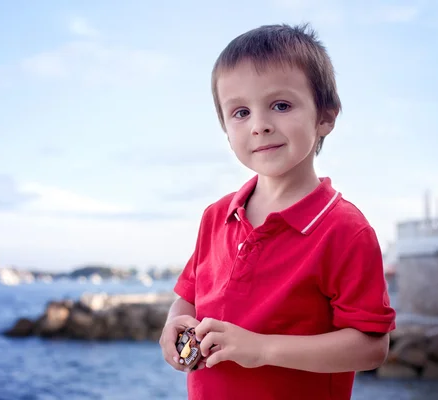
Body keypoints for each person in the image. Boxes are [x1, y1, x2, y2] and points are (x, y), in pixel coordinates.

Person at [159, 22, 396, 400]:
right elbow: (188, 296)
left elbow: (371, 347)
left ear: (325, 118)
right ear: (224, 125)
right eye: (240, 112)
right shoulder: (216, 217)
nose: (260, 126)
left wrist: (261, 349)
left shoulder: (345, 230)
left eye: (281, 106)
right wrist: (174, 323)